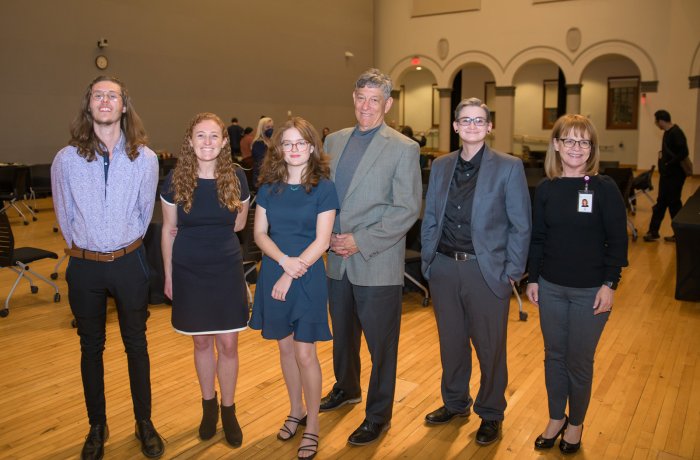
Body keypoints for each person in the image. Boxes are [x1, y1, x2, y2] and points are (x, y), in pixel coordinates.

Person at [51, 75, 164, 460]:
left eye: (112, 95)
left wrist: (119, 244)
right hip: (85, 267)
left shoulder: (144, 158)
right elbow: (64, 214)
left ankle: (144, 422)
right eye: (98, 95)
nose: (104, 101)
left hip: (129, 262)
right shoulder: (66, 159)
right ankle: (97, 426)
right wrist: (86, 247)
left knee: (137, 345)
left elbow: (145, 212)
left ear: (124, 106)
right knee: (90, 347)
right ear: (88, 105)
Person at [420, 97, 531, 446]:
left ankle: (491, 412)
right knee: (451, 344)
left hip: (486, 271)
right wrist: (428, 259)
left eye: (479, 120)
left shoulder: (509, 167)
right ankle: (455, 403)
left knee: (490, 347)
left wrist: (511, 271)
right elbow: (431, 217)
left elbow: (521, 225)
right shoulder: (440, 165)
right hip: (443, 267)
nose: (471, 125)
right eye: (465, 120)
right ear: (455, 126)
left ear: (489, 126)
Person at [319, 68, 422, 446]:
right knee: (342, 335)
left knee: (381, 345)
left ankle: (378, 414)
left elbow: (406, 208)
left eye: (374, 100)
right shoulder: (333, 140)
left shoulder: (403, 148)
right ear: (353, 98)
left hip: (375, 258)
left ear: (388, 104)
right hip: (335, 257)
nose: (366, 106)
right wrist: (325, 234)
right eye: (361, 97)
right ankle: (346, 388)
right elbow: (323, 195)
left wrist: (359, 240)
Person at [526, 114, 628, 454]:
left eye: (583, 142)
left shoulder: (604, 188)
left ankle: (576, 423)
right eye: (568, 140)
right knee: (554, 356)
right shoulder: (546, 188)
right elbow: (537, 238)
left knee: (579, 360)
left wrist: (610, 284)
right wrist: (533, 278)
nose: (576, 148)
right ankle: (556, 417)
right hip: (551, 287)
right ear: (556, 144)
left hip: (590, 292)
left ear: (592, 148)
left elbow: (618, 241)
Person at [249, 117, 338, 459]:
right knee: (285, 351)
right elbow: (259, 234)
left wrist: (291, 270)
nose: (295, 149)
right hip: (275, 270)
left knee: (305, 353)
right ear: (279, 149)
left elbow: (323, 240)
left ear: (313, 147)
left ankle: (313, 424)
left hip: (307, 274)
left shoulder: (324, 187)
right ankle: (295, 410)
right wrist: (282, 263)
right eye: (287, 143)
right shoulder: (269, 188)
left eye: (301, 143)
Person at [160, 113, 250, 448]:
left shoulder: (238, 177)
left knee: (228, 344)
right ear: (190, 140)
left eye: (214, 136)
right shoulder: (175, 179)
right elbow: (169, 232)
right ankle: (208, 406)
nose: (208, 142)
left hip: (225, 268)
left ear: (225, 142)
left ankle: (229, 409)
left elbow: (239, 225)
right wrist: (168, 275)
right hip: (188, 269)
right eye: (201, 136)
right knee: (201, 342)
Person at [643, 109, 690, 242]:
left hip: (675, 176)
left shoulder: (676, 133)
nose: (656, 124)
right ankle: (654, 232)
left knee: (674, 204)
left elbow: (684, 152)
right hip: (667, 176)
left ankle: (680, 234)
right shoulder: (668, 132)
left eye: (656, 121)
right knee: (662, 203)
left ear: (661, 121)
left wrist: (669, 163)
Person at [251, 116, 274, 189]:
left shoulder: (270, 142)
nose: (270, 129)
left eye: (271, 127)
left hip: (270, 177)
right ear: (261, 129)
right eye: (267, 127)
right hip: (262, 179)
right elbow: (261, 163)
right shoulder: (258, 143)